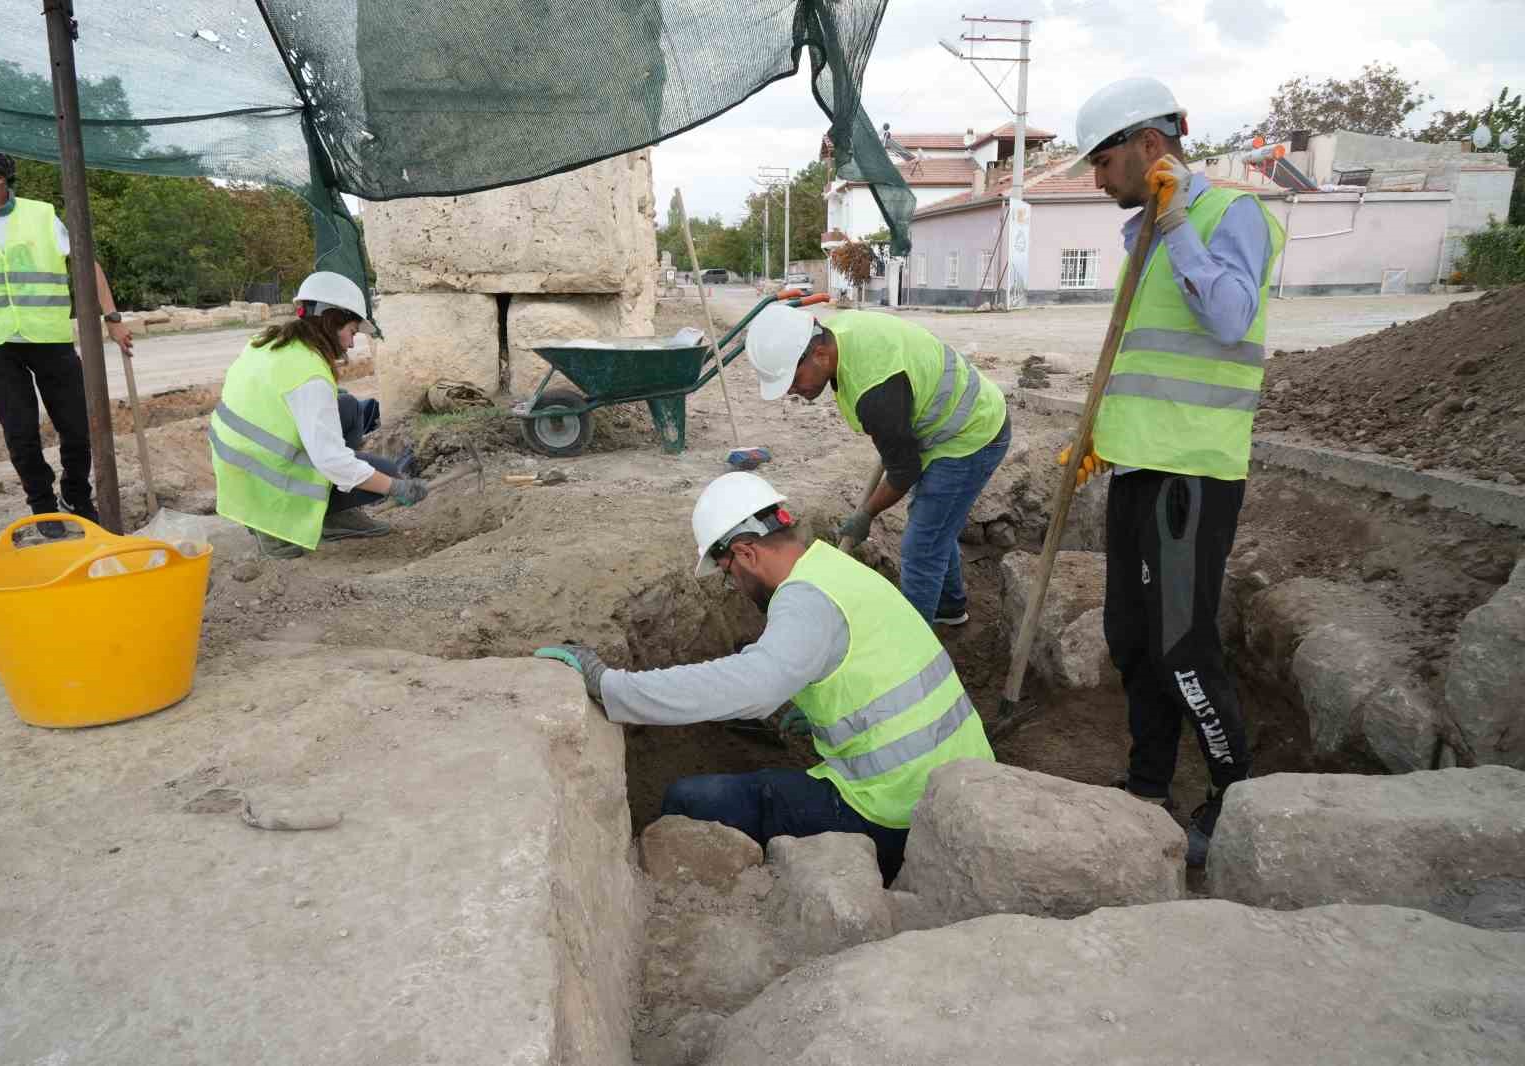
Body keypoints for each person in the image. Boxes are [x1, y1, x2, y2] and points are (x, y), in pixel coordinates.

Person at [535, 472, 996, 883]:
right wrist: (814, 714)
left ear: (746, 552)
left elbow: (750, 687)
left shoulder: (804, 602)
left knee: (691, 799)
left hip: (894, 813)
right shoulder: (836, 571)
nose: (733, 584)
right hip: (964, 788)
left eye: (727, 571)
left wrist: (610, 684)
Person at [1061, 77, 1286, 866]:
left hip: (1193, 472)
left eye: (1104, 159)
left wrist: (1181, 220)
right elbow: (1145, 352)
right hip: (1140, 467)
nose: (1097, 179)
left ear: (1151, 146)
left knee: (1183, 647)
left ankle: (1234, 796)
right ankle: (1147, 781)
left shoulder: (1232, 215)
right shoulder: (1144, 234)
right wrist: (1100, 434)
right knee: (1129, 634)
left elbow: (1226, 318)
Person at [743, 304, 1011, 627]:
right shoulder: (837, 334)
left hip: (971, 433)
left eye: (793, 379)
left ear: (819, 354)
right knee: (933, 524)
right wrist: (891, 439)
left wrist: (866, 513)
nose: (791, 391)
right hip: (942, 424)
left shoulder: (875, 394)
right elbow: (897, 445)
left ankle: (913, 650)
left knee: (921, 546)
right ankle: (949, 607)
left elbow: (903, 471)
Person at [0, 145, 136, 536]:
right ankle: (42, 506)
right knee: (20, 433)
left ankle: (76, 496)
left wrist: (111, 318)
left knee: (78, 427)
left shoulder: (41, 215)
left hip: (48, 338)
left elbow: (86, 262)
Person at [208, 270, 429, 559]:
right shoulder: (310, 377)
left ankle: (333, 518)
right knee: (384, 473)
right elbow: (333, 462)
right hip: (264, 483)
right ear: (331, 320)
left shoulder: (268, 341)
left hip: (237, 462)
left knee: (348, 406)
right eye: (351, 331)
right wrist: (395, 486)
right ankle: (275, 531)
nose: (351, 344)